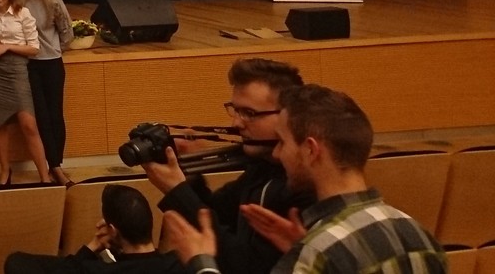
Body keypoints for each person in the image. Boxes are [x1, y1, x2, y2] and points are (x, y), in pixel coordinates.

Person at [163, 84, 447, 274]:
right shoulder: (418, 233)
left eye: (283, 142)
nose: (277, 153)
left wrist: (203, 264)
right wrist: (299, 249)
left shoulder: (319, 251)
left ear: (311, 150)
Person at [144, 58, 307, 274]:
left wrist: (176, 190)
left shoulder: (302, 184)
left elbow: (245, 266)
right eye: (235, 110)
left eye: (249, 113)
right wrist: (189, 177)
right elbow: (215, 214)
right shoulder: (262, 167)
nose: (236, 123)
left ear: (286, 115)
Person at [7, 183, 186, 274]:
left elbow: (16, 263)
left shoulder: (95, 270)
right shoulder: (179, 263)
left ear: (113, 230)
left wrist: (92, 247)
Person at [0, 0, 51, 184]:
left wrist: (9, 46)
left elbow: (34, 48)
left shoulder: (23, 13)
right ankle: (4, 170)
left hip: (17, 69)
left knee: (28, 124)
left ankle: (44, 176)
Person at [17, 0, 75, 185]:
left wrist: (53, 48)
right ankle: (53, 166)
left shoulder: (54, 2)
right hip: (29, 64)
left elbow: (67, 34)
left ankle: (56, 164)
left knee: (55, 114)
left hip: (52, 63)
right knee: (41, 115)